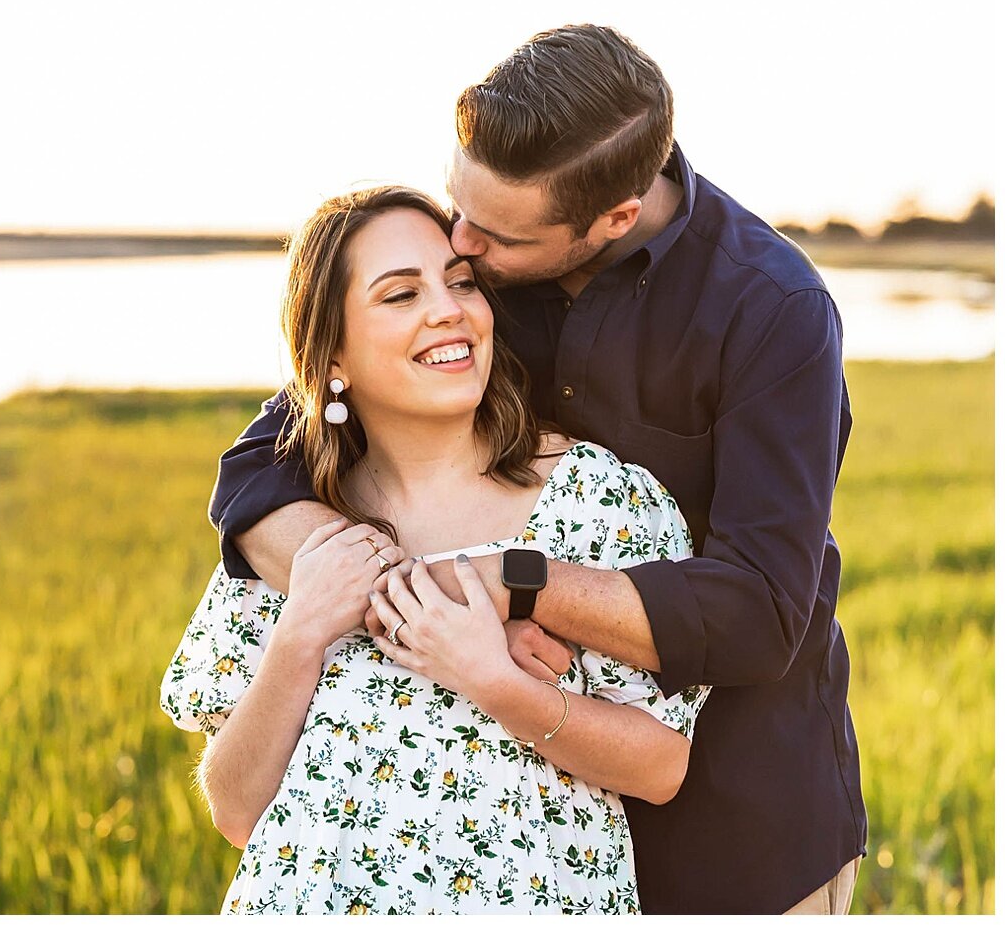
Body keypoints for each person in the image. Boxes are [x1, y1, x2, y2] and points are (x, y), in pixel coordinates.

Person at [208, 25, 865, 915]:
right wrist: (418, 605)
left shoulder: (773, 312)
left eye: (494, 240)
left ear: (613, 220)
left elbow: (758, 613)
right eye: (457, 205)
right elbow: (259, 466)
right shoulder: (474, 266)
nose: (463, 244)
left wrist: (509, 583)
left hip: (736, 828)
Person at [160, 185, 709, 914]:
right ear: (330, 358)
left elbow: (662, 765)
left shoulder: (598, 500)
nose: (447, 308)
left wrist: (493, 678)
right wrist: (301, 632)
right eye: (399, 295)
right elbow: (234, 810)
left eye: (459, 282)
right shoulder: (296, 531)